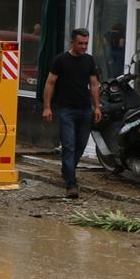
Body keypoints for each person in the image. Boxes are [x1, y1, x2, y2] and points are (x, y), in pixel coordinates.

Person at [41, 28, 102, 199]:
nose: (83, 47)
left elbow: (94, 84)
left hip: (85, 109)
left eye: (86, 43)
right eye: (80, 43)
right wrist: (47, 107)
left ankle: (67, 170)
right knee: (69, 146)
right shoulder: (60, 60)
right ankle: (71, 184)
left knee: (81, 145)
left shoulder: (89, 60)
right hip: (66, 110)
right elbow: (50, 83)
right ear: (72, 42)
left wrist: (97, 107)